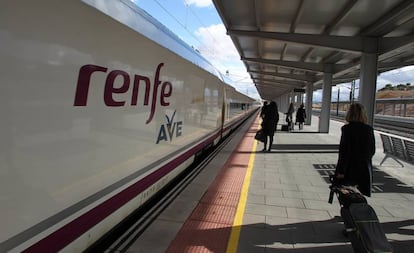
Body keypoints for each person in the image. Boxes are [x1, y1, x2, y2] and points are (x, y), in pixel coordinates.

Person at [334, 103, 375, 197]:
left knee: (346, 197)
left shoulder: (347, 129)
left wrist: (341, 172)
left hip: (349, 170)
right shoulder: (369, 129)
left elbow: (344, 153)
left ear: (350, 114)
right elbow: (371, 151)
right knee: (359, 197)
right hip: (364, 170)